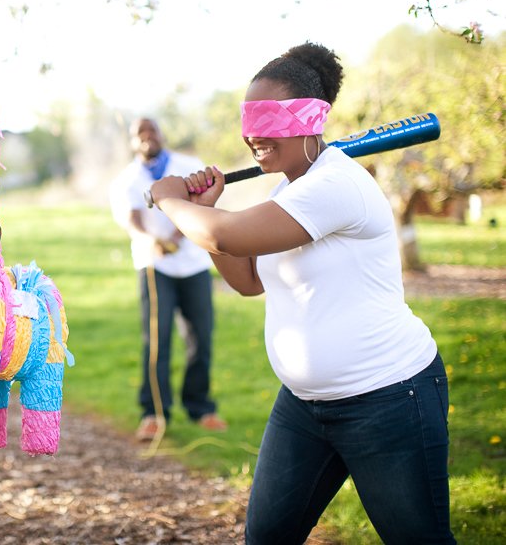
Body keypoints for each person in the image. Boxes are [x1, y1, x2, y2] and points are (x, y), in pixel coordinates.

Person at [147, 42, 454, 543]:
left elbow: (223, 236)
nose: (253, 133)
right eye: (248, 118)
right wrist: (205, 206)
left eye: (268, 117)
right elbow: (247, 280)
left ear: (311, 118)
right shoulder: (287, 190)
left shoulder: (336, 185)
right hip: (304, 406)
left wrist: (170, 201)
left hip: (388, 398)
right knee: (267, 537)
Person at [109, 117, 227, 443]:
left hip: (194, 263)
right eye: (140, 133)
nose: (147, 137)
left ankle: (201, 408)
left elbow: (201, 206)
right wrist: (153, 241)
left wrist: (176, 236)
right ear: (133, 141)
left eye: (152, 131)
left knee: (201, 337)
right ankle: (154, 413)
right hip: (153, 265)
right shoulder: (127, 179)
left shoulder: (188, 166)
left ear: (162, 134)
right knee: (157, 341)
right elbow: (132, 219)